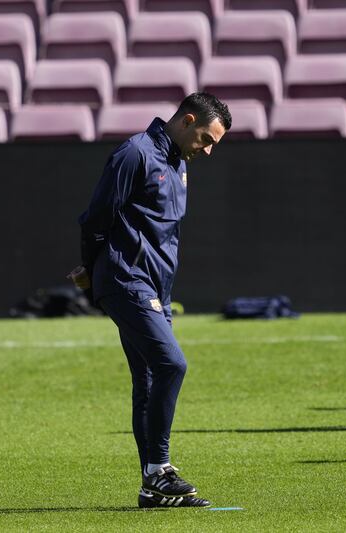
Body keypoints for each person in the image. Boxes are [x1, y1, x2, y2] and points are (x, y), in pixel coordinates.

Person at [68, 93, 230, 509]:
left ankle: (150, 489)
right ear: (187, 120)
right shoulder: (135, 153)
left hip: (156, 288)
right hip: (125, 280)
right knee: (171, 363)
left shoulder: (178, 163)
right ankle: (160, 470)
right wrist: (92, 269)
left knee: (149, 379)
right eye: (206, 139)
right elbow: (97, 217)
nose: (209, 150)